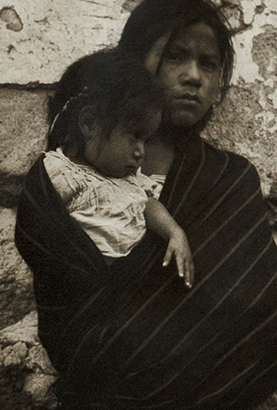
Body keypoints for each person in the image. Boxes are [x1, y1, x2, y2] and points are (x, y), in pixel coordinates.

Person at [15, 0, 277, 410]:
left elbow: (250, 316)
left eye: (209, 65)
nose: (193, 77)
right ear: (133, 62)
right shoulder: (65, 176)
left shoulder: (228, 183)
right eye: (175, 57)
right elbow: (66, 305)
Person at [43, 49, 193, 284]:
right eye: (134, 136)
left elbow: (147, 204)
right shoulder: (60, 172)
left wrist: (175, 232)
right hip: (84, 287)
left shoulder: (128, 178)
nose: (141, 152)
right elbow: (43, 224)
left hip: (130, 287)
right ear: (89, 123)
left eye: (146, 140)